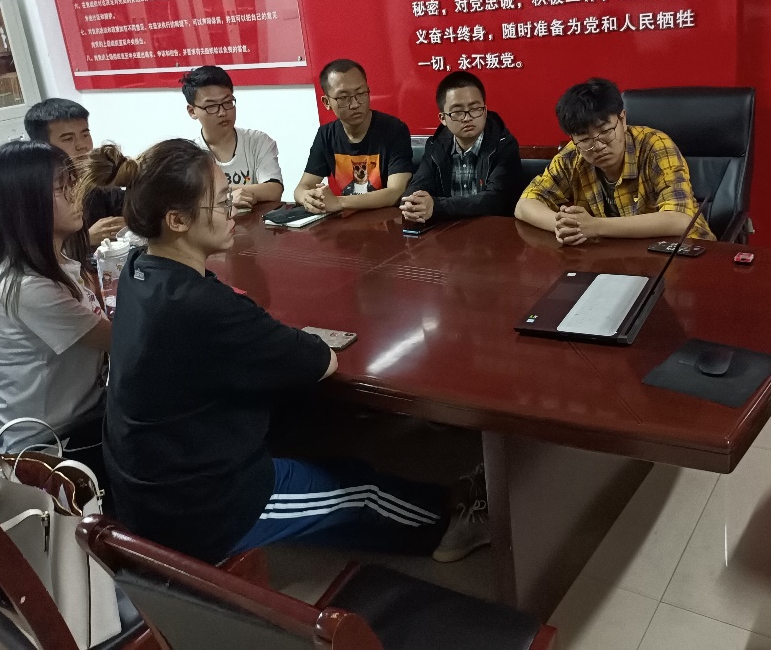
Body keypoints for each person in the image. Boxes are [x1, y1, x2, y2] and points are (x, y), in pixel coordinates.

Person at [83, 140, 487, 564]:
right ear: (177, 220)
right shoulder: (202, 307)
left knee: (306, 427)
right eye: (221, 202)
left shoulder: (138, 269)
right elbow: (320, 361)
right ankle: (450, 523)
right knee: (362, 491)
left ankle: (446, 497)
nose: (232, 210)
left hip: (147, 485)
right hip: (205, 509)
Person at [0, 140, 111, 454]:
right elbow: (121, 343)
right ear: (25, 204)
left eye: (74, 183)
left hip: (84, 414)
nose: (77, 195)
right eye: (62, 188)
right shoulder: (27, 286)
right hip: (48, 448)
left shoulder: (57, 262)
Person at [516, 78, 714, 243]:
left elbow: (680, 220)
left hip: (685, 251)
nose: (598, 145)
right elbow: (525, 204)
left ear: (622, 120)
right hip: (620, 255)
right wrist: (565, 226)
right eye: (584, 139)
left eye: (605, 131)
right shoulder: (573, 155)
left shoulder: (655, 146)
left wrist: (596, 227)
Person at [294, 59, 413, 215]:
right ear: (327, 102)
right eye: (344, 98)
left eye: (361, 93)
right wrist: (308, 198)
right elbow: (302, 187)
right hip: (349, 222)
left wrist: (339, 202)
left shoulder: (394, 130)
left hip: (388, 221)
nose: (355, 104)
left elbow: (396, 192)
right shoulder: (326, 134)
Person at [401, 71, 522, 223]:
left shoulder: (504, 145)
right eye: (457, 112)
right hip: (447, 231)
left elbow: (495, 201)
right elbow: (419, 184)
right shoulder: (435, 145)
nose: (467, 118)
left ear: (485, 111)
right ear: (443, 118)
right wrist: (412, 202)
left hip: (492, 229)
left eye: (475, 109)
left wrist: (437, 206)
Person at [24, 98, 125, 244]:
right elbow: (35, 247)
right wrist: (86, 240)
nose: (82, 145)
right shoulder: (34, 193)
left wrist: (129, 222)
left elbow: (126, 206)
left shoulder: (94, 179)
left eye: (85, 135)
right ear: (42, 146)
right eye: (68, 139)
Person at [183, 65, 284, 211]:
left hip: (256, 223)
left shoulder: (258, 141)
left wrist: (214, 197)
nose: (222, 112)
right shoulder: (188, 155)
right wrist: (227, 198)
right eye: (211, 106)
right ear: (192, 111)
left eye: (227, 103)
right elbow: (186, 201)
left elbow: (274, 190)